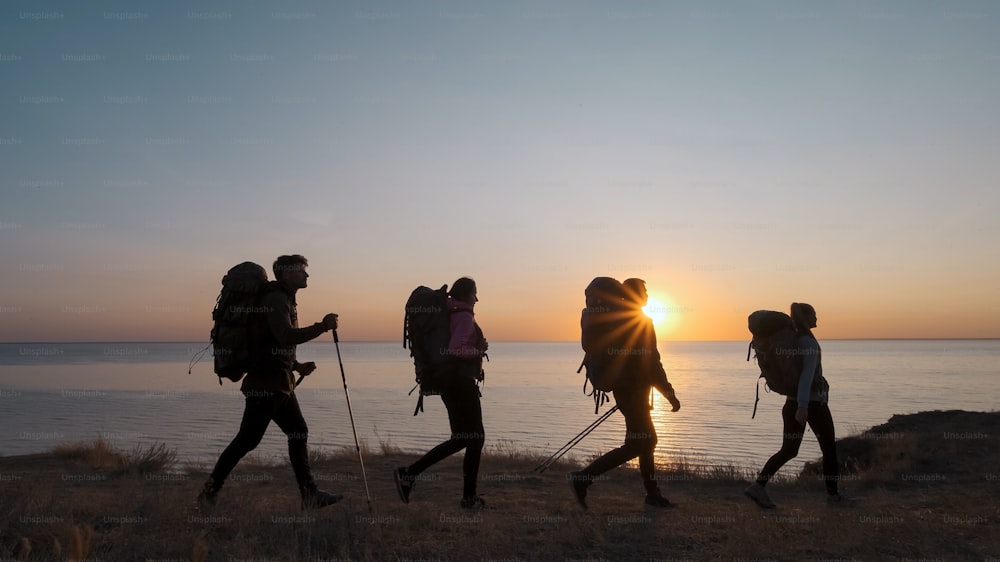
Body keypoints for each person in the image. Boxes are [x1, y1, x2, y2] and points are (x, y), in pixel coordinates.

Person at [197, 254, 342, 510]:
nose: (306, 275)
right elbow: (285, 336)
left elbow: (271, 343)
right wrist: (322, 326)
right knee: (247, 440)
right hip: (267, 385)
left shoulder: (281, 298)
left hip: (278, 382)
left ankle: (309, 495)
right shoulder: (275, 299)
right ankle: (208, 493)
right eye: (301, 271)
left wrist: (297, 366)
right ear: (286, 273)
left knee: (296, 432)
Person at [569, 277, 681, 510]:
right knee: (641, 442)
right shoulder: (641, 321)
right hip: (634, 391)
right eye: (644, 292)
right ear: (634, 296)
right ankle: (583, 478)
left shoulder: (616, 320)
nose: (648, 296)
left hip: (625, 389)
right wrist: (669, 393)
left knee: (644, 441)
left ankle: (652, 494)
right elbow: (653, 363)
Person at [394, 277, 489, 509]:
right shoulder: (464, 316)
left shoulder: (449, 313)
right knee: (475, 438)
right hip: (461, 383)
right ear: (466, 294)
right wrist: (477, 350)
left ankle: (409, 473)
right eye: (474, 293)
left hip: (448, 383)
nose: (477, 299)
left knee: (462, 438)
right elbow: (456, 348)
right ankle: (469, 498)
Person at [745, 302, 847, 508]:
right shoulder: (807, 342)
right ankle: (834, 497)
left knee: (789, 450)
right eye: (814, 315)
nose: (817, 318)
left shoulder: (795, 341)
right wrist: (803, 406)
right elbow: (806, 375)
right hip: (812, 405)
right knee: (829, 449)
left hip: (792, 403)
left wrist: (798, 404)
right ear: (806, 317)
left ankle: (758, 486)